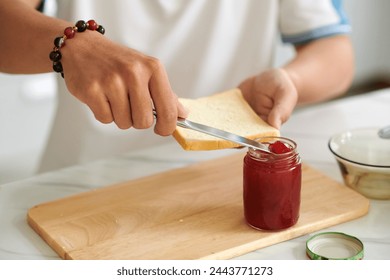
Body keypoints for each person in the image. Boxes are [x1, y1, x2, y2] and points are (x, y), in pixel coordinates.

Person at [0, 0, 354, 172]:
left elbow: (336, 53)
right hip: (82, 176)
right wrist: (70, 44)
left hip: (223, 182)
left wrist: (292, 79)